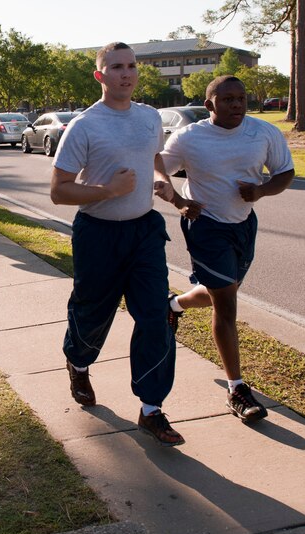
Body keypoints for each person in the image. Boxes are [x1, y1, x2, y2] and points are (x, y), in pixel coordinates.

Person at [50, 41, 201, 447]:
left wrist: (164, 185)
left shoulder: (150, 117)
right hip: (98, 234)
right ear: (100, 75)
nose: (126, 73)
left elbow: (154, 160)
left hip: (144, 232)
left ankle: (151, 408)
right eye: (116, 66)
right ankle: (78, 362)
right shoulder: (85, 125)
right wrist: (108, 189)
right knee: (92, 312)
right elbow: (59, 192)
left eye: (131, 66)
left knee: (155, 316)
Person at [161, 75, 295, 425]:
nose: (237, 105)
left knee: (220, 292)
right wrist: (178, 201)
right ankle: (237, 389)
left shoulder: (263, 133)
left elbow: (285, 172)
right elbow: (158, 168)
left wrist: (262, 191)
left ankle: (173, 305)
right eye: (228, 99)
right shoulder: (191, 137)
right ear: (210, 105)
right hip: (205, 226)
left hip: (243, 225)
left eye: (241, 98)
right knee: (227, 303)